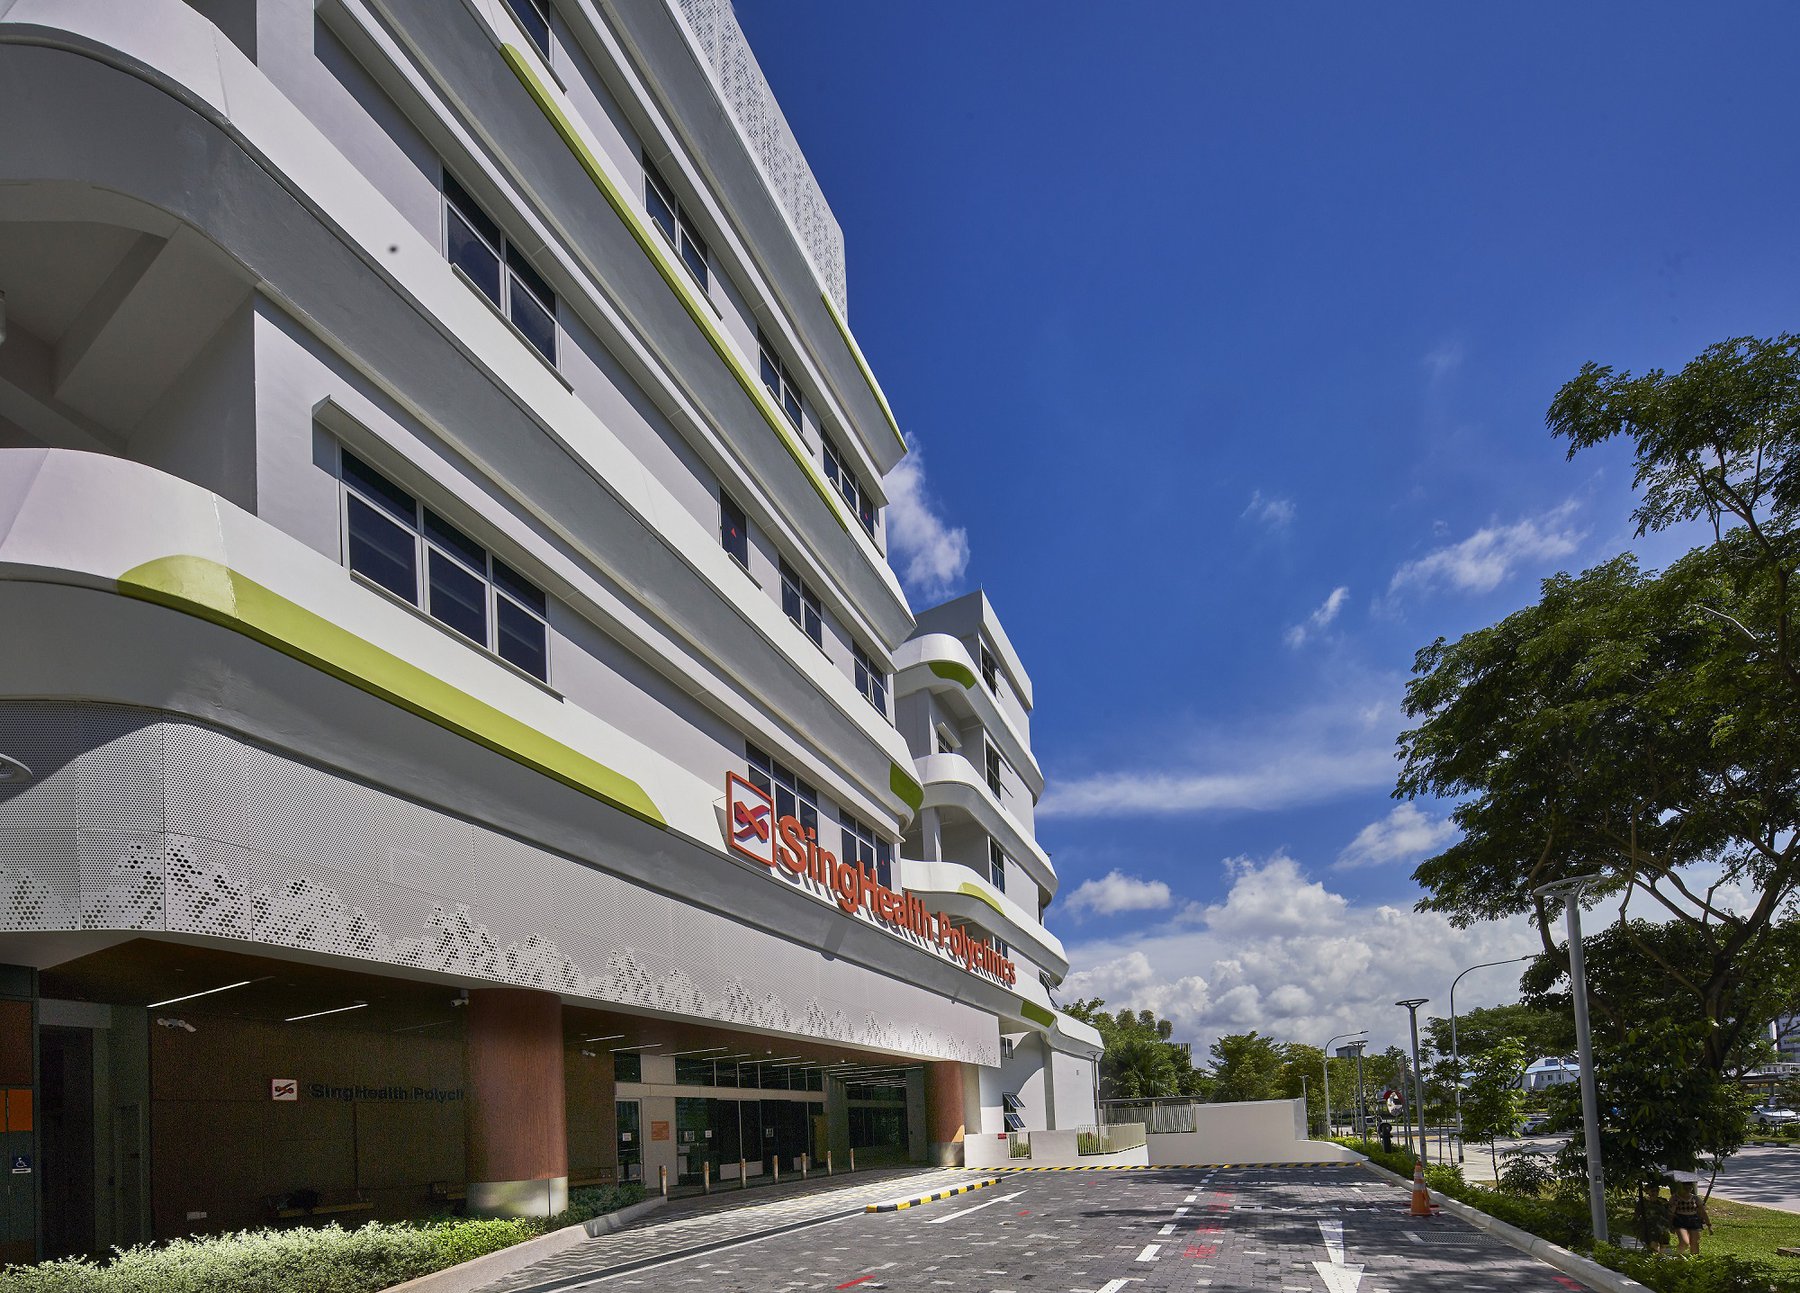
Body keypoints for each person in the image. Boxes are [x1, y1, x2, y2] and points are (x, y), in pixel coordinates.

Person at [1670, 1181, 1710, 1256]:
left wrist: (1709, 1225)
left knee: (1695, 1243)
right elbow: (1671, 1213)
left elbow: (1703, 1212)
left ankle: (1694, 1261)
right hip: (1680, 1220)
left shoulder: (1695, 1198)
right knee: (1684, 1242)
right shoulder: (1675, 1198)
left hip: (1693, 1220)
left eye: (1689, 1188)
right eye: (1685, 1188)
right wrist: (1670, 1224)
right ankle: (1678, 1257)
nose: (1687, 1190)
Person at [1634, 1183, 1671, 1255]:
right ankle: (1654, 1259)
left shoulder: (1663, 1201)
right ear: (1648, 1191)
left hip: (1662, 1227)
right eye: (1653, 1191)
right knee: (1653, 1245)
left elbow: (1668, 1214)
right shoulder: (1643, 1202)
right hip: (1649, 1227)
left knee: (1664, 1245)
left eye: (1657, 1191)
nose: (1655, 1193)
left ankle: (1660, 1259)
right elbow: (1637, 1215)